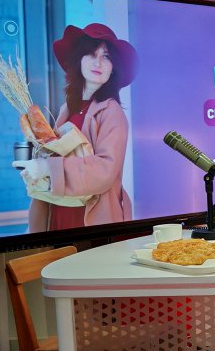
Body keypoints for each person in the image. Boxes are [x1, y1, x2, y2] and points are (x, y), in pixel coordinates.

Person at [16, 23, 135, 232]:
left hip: (90, 219)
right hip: (58, 211)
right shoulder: (67, 108)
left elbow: (105, 169)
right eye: (91, 54)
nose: (98, 62)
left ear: (113, 68)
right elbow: (58, 152)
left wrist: (48, 168)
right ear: (79, 59)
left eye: (106, 56)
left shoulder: (111, 111)